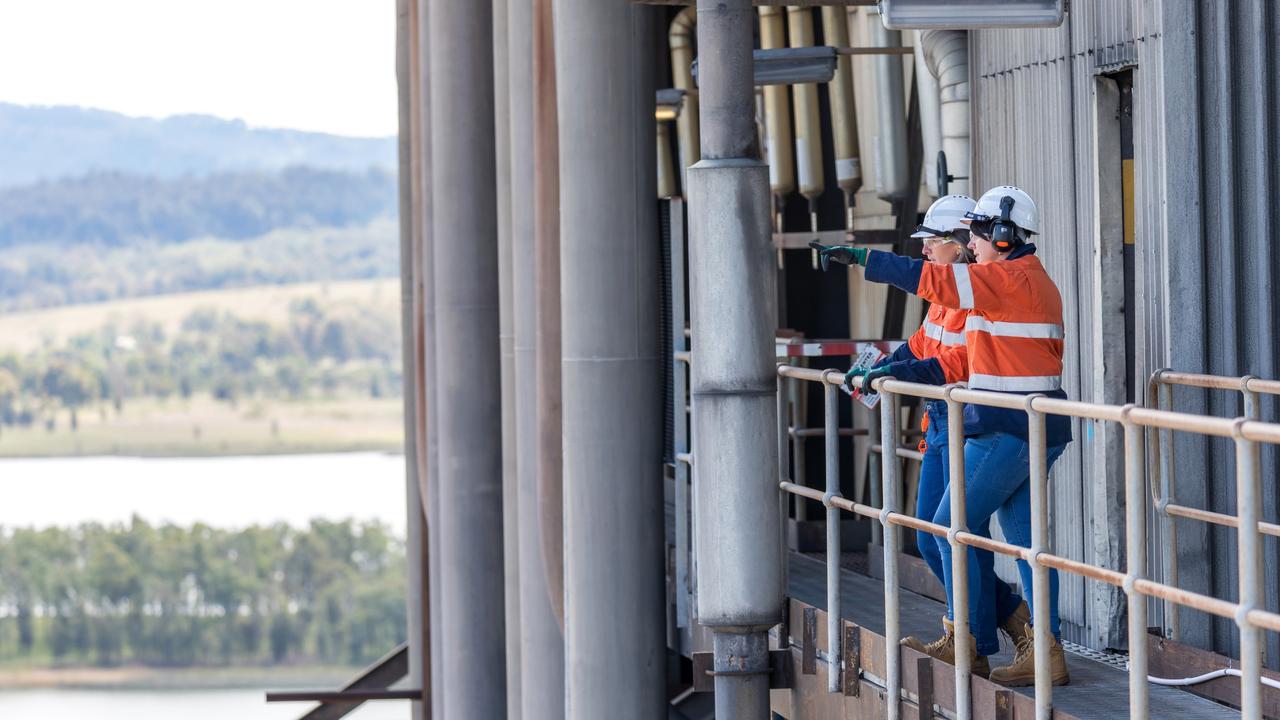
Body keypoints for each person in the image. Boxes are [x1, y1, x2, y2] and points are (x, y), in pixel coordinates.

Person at [816, 186, 1072, 687]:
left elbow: (926, 279)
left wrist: (866, 258)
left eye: (976, 233)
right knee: (1028, 548)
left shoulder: (1007, 279)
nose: (971, 243)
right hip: (1021, 425)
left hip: (1007, 430)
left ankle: (969, 640)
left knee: (946, 528)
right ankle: (1042, 649)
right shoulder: (1016, 282)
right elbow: (956, 353)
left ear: (1001, 235)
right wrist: (887, 369)